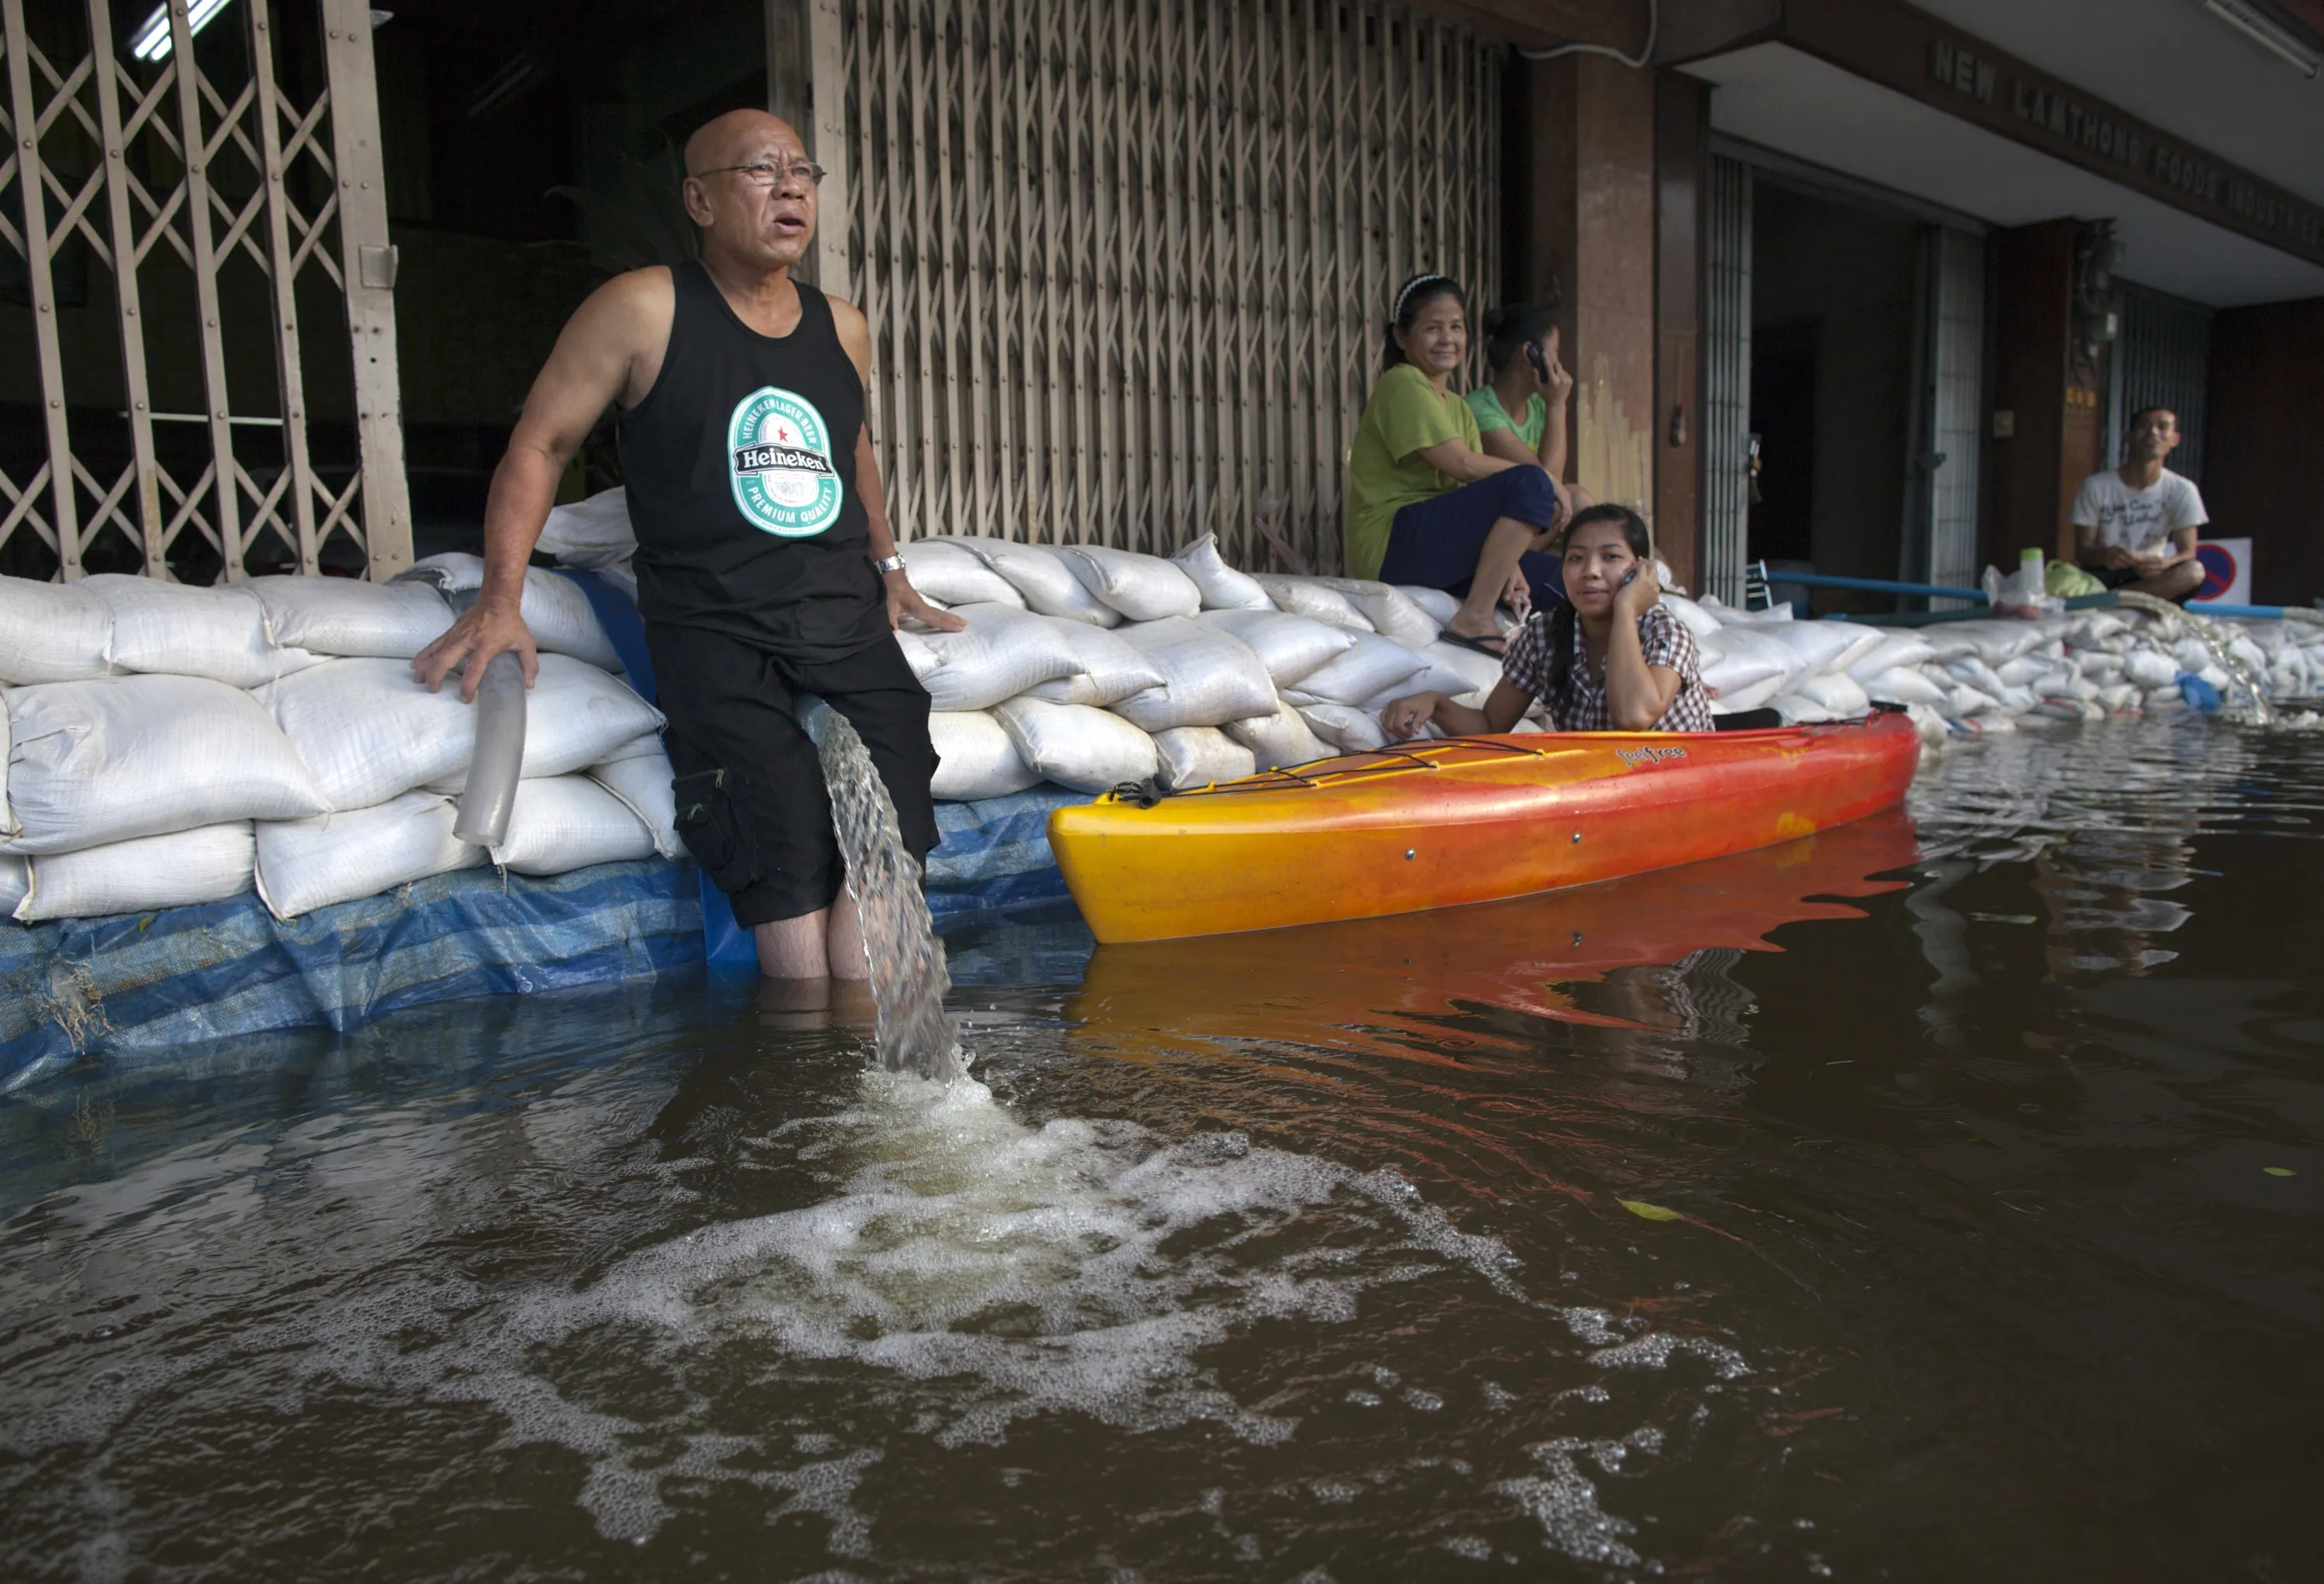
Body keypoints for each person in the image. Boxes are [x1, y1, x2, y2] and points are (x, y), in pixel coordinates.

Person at [412, 109, 960, 984]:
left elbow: (848, 445)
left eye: (802, 172)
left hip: (844, 619)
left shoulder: (844, 326)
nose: (790, 187)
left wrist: (890, 569)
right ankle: (800, 1063)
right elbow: (540, 444)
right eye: (760, 171)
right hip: (713, 623)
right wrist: (501, 602)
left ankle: (867, 1047)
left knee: (894, 806)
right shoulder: (641, 308)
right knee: (773, 820)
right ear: (699, 200)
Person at [1344, 274, 1567, 654]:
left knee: (1563, 586)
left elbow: (1478, 499)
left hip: (1438, 544)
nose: (1447, 338)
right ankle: (1474, 618)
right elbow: (1462, 466)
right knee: (1529, 483)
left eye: (1456, 327)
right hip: (1392, 544)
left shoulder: (1459, 407)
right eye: (1433, 328)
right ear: (1402, 337)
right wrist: (1544, 478)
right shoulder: (1402, 384)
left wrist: (1507, 563)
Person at [1380, 504, 1714, 737]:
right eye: (1576, 558)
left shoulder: (1665, 631)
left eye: (1611, 557)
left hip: (1683, 796)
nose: (1591, 571)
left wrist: (1626, 609)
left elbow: (1635, 716)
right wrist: (1435, 703)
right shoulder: (1546, 636)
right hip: (1603, 797)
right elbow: (1490, 725)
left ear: (1641, 569)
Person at [2069, 407, 2206, 601]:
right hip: (2106, 573)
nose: (2153, 433)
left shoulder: (2182, 490)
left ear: (2175, 439)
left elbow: (2188, 552)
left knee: (2193, 572)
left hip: (2153, 576)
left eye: (2162, 427)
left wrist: (2166, 563)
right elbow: (2083, 552)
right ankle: (2120, 600)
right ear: (2129, 437)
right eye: (2144, 426)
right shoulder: (2095, 486)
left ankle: (2109, 601)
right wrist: (2105, 556)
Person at [1464, 302, 1576, 483]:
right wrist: (1557, 405)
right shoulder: (1479, 408)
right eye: (1556, 350)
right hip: (1494, 508)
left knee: (1580, 498)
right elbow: (1546, 484)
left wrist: (1554, 404)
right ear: (1531, 353)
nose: (1559, 362)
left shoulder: (1538, 404)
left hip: (1528, 505)